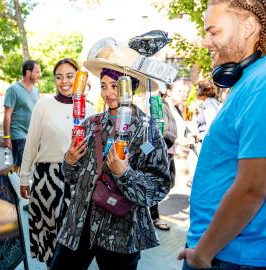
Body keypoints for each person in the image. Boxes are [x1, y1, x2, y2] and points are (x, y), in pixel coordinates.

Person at [50, 44, 172, 270]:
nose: (108, 93)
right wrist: (69, 161)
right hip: (79, 225)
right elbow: (73, 178)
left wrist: (124, 173)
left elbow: (159, 185)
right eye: (104, 86)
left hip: (120, 231)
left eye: (115, 86)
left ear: (130, 89)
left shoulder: (148, 130)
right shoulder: (90, 124)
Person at [178, 1, 266, 269]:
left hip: (227, 256)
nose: (206, 42)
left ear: (248, 27)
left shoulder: (260, 84)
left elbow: (253, 187)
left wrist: (204, 252)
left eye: (213, 32)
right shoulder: (249, 81)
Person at [19, 58, 92, 268]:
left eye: (70, 76)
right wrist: (25, 177)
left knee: (70, 243)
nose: (64, 81)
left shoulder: (90, 109)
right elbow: (31, 144)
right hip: (46, 181)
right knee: (49, 237)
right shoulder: (43, 106)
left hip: (76, 181)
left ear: (79, 78)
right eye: (59, 77)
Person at [2, 60, 41, 175]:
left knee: (20, 165)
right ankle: (12, 186)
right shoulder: (13, 90)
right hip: (18, 133)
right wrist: (6, 137)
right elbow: (7, 114)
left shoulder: (36, 91)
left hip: (31, 134)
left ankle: (10, 184)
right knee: (21, 164)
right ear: (28, 72)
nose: (39, 74)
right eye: (37, 72)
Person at [150, 86, 178, 231]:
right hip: (162, 150)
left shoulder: (171, 105)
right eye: (179, 90)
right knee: (157, 184)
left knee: (169, 182)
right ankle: (154, 216)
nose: (183, 93)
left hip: (169, 150)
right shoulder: (157, 103)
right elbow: (163, 130)